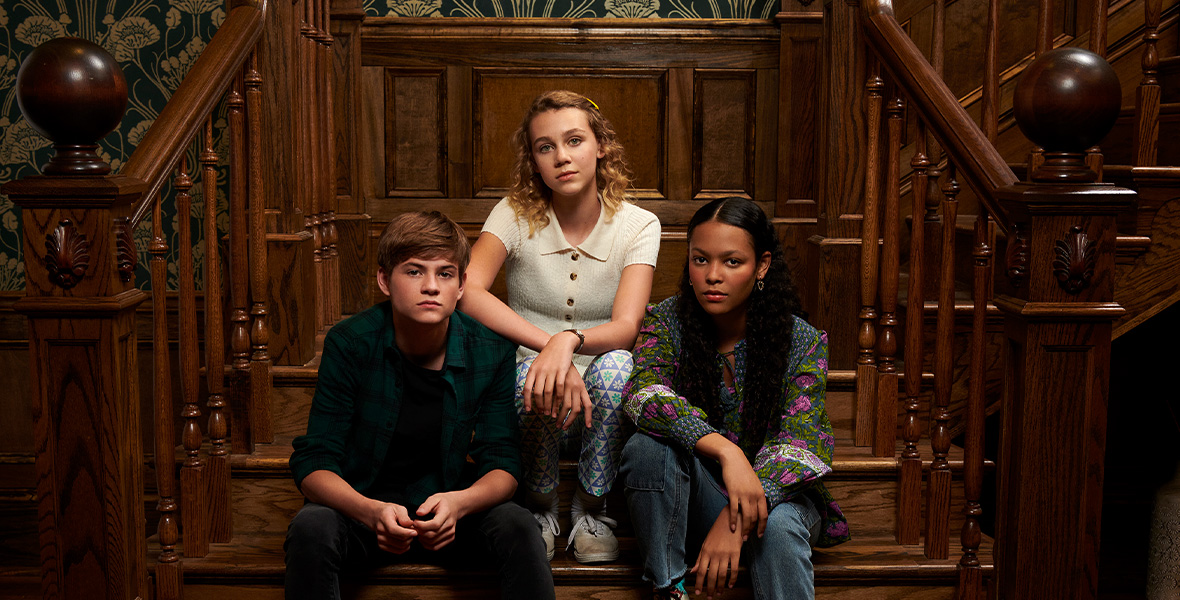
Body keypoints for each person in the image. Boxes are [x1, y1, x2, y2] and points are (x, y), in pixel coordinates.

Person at [284, 211, 554, 600]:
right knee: (312, 527)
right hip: (364, 510)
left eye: (445, 273)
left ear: (462, 285)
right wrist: (369, 511)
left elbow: (503, 463)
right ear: (384, 280)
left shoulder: (491, 350)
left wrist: (459, 504)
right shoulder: (351, 343)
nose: (431, 286)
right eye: (413, 272)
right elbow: (314, 462)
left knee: (519, 525)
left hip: (447, 514)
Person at [459, 90, 661, 563]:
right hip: (529, 398)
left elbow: (629, 325)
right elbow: (467, 291)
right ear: (533, 159)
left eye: (574, 140)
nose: (562, 157)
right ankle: (542, 505)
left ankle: (593, 507)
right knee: (535, 372)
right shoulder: (513, 212)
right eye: (545, 147)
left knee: (617, 366)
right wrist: (549, 350)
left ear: (600, 146)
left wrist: (568, 342)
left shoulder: (639, 224)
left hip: (603, 406)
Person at [619, 197, 850, 600]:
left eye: (731, 262)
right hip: (697, 497)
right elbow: (642, 395)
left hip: (778, 501)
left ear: (761, 266)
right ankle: (669, 589)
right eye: (700, 259)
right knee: (646, 448)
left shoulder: (801, 341)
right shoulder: (666, 321)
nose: (712, 276)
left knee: (777, 528)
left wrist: (733, 519)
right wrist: (728, 453)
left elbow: (803, 444)